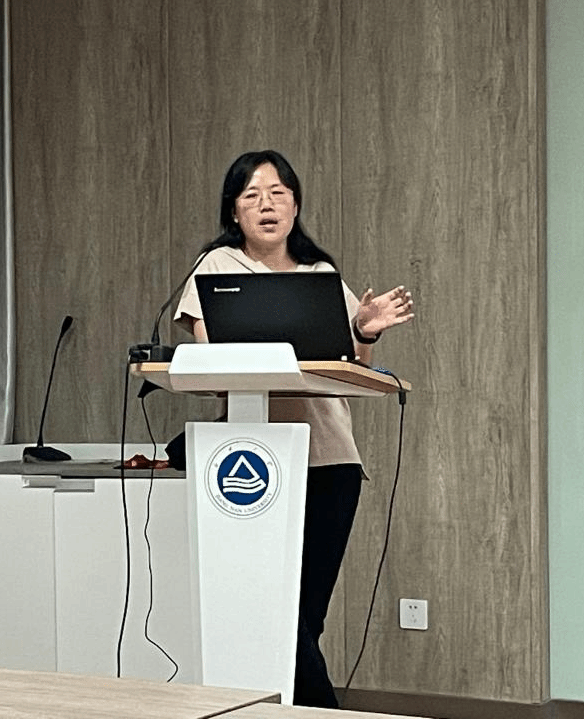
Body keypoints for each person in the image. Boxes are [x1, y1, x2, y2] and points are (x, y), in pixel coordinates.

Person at [173, 150, 414, 707]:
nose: (267, 204)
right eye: (252, 195)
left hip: (329, 461)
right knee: (274, 612)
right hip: (252, 465)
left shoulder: (320, 275)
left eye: (278, 193)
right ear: (234, 210)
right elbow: (208, 352)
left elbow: (351, 361)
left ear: (296, 205)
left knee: (306, 615)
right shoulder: (217, 267)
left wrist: (366, 331)